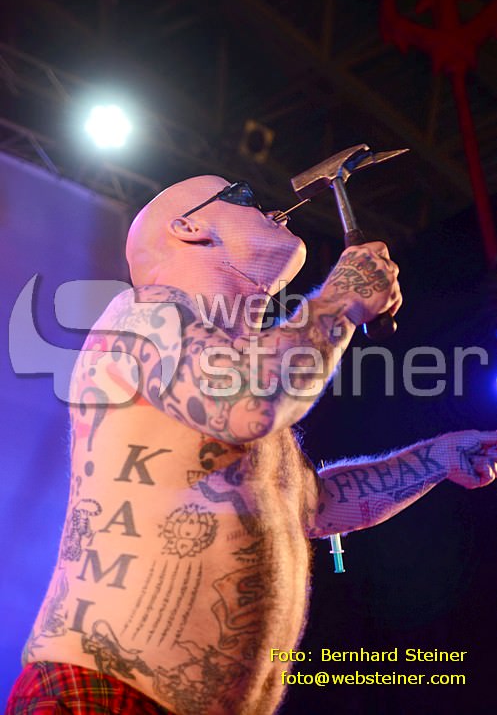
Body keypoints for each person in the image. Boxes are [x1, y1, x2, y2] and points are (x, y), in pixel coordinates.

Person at [7, 175, 496, 715]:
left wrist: (438, 457)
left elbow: (313, 505)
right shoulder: (141, 313)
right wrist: (341, 298)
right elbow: (248, 403)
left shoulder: (228, 367)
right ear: (189, 227)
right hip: (100, 694)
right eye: (243, 196)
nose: (272, 209)